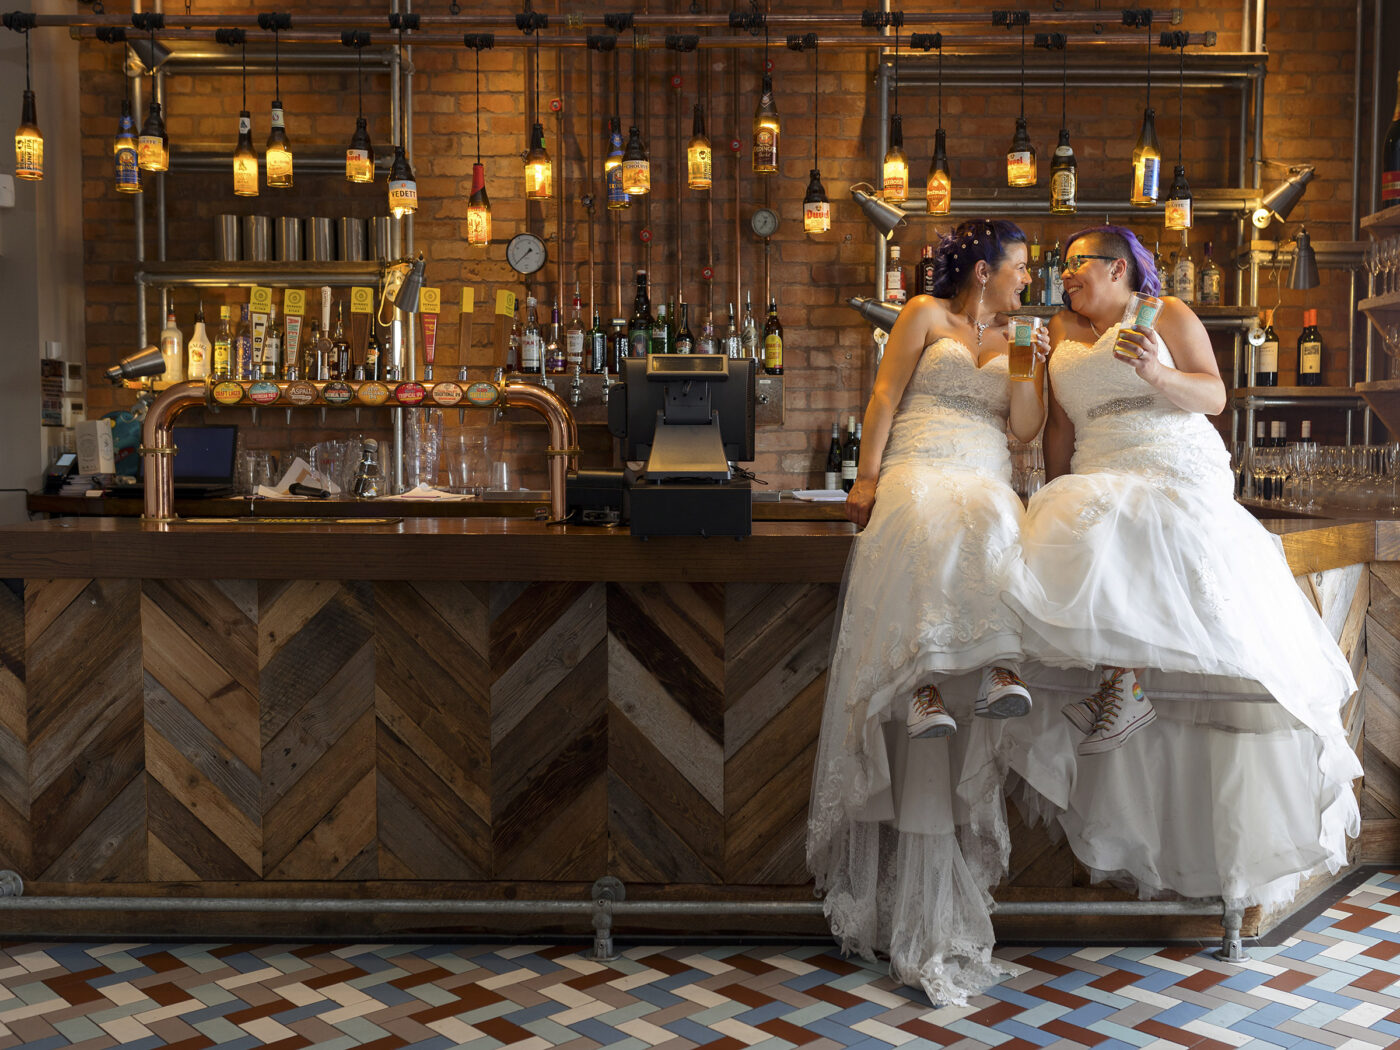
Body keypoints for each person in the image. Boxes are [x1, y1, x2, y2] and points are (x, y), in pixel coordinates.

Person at [999, 225, 1360, 909]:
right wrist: (1048, 494)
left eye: (1076, 264)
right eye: (1062, 265)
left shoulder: (1165, 314)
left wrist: (1156, 373)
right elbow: (1057, 428)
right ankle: (1122, 689)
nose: (1065, 275)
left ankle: (1125, 688)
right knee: (1082, 523)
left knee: (1128, 526)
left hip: (1171, 465)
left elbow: (1215, 397)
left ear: (1117, 268)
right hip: (1098, 472)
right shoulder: (1056, 329)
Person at [807, 219, 1047, 1006]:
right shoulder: (921, 315)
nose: (1027, 281)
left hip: (982, 466)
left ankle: (999, 670)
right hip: (915, 461)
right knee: (921, 513)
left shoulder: (1018, 334)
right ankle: (920, 684)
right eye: (1019, 268)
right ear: (982, 268)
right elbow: (882, 395)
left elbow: (1023, 431)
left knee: (994, 516)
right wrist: (868, 477)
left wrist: (1028, 369)